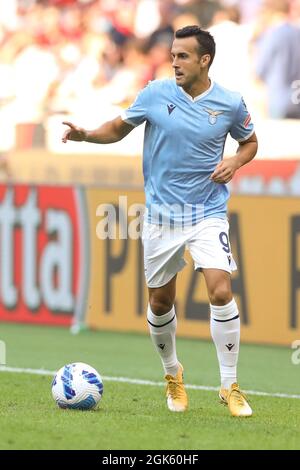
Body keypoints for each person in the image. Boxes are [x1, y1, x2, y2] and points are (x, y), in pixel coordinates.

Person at [62, 25, 258, 417]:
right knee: (160, 300)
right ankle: (173, 374)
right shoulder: (155, 93)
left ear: (205, 60)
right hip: (161, 217)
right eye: (172, 55)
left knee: (220, 290)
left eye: (183, 56)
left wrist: (235, 161)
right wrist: (86, 135)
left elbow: (250, 141)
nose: (174, 62)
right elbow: (119, 128)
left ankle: (230, 385)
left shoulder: (231, 103)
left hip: (207, 212)